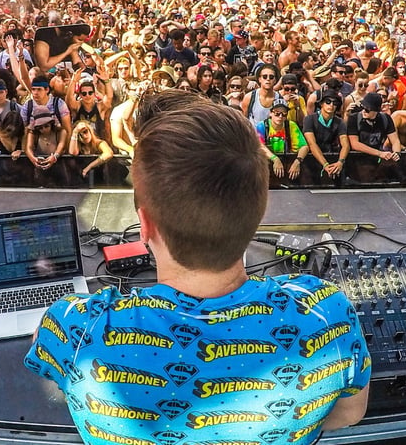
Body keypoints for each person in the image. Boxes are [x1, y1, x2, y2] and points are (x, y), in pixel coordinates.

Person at [24, 89, 370, 443]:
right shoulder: (328, 313)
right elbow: (348, 414)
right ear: (258, 212)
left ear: (144, 224)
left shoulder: (77, 326)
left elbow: (49, 357)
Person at [256, 96, 309, 180]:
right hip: (267, 165)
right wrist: (275, 159)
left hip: (287, 165)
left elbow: (304, 147)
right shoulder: (261, 126)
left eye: (284, 114)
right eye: (277, 113)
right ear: (270, 113)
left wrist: (297, 161)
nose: (280, 117)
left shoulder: (291, 125)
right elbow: (259, 146)